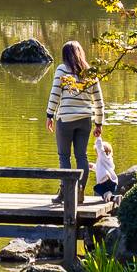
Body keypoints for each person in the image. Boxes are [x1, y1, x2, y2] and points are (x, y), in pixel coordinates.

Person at [45, 40, 104, 185]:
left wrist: (49, 115)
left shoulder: (62, 69)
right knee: (81, 156)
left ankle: (66, 192)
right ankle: (81, 190)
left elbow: (55, 94)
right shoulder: (90, 73)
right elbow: (99, 101)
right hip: (85, 120)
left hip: (66, 120)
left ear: (65, 55)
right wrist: (98, 123)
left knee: (64, 157)